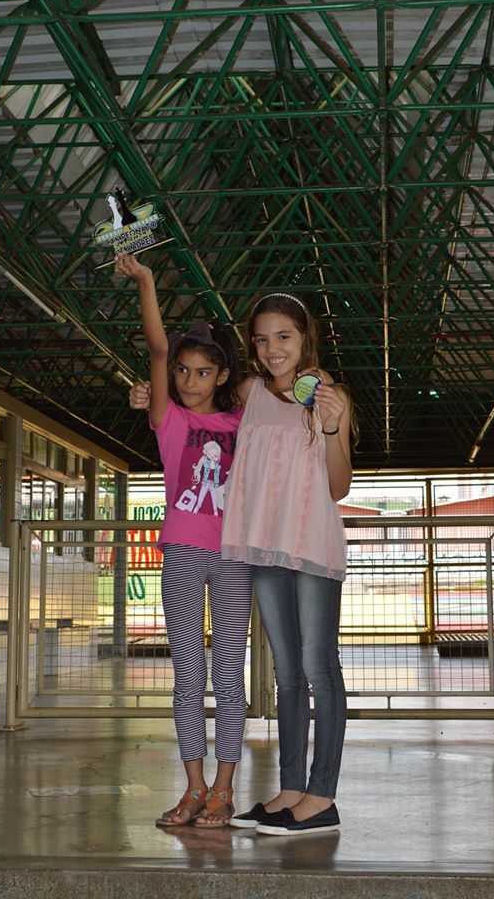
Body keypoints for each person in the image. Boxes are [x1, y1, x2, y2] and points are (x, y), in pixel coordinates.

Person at [130, 291, 355, 837]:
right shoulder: (251, 393)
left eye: (284, 336)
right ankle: (291, 791)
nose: (273, 347)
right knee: (286, 672)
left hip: (311, 545)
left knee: (319, 666)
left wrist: (330, 425)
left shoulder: (330, 396)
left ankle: (322, 796)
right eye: (262, 338)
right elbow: (192, 388)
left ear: (305, 337)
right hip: (262, 548)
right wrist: (149, 395)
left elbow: (339, 486)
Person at [115, 251, 253, 828]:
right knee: (188, 673)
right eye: (183, 372)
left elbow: (272, 389)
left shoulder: (244, 423)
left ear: (221, 377)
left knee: (229, 671)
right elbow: (156, 349)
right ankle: (193, 787)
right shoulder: (169, 419)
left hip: (235, 554)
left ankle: (224, 788)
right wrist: (146, 282)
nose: (189, 381)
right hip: (182, 552)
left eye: (203, 373)